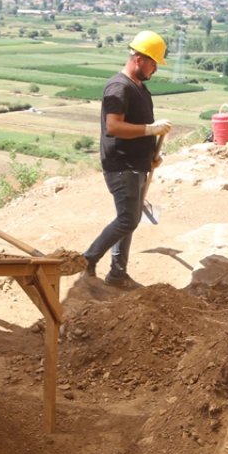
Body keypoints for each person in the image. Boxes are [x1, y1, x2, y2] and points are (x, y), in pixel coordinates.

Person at [82, 30, 173, 288]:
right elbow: (114, 127)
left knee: (129, 218)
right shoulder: (119, 87)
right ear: (139, 59)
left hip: (136, 164)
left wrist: (150, 155)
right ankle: (87, 260)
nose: (156, 69)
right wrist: (151, 130)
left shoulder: (140, 88)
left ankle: (117, 274)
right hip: (121, 166)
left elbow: (137, 126)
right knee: (128, 219)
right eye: (154, 62)